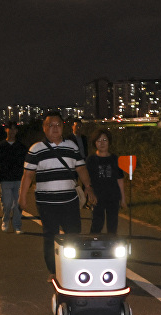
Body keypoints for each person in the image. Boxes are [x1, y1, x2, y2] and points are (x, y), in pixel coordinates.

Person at [19, 112, 97, 277]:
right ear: (44, 128)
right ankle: (53, 270)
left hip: (69, 200)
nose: (55, 128)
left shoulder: (72, 146)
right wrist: (22, 196)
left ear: (63, 127)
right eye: (50, 125)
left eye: (58, 125)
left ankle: (73, 268)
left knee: (73, 235)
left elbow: (81, 168)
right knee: (50, 236)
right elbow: (28, 175)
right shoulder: (36, 149)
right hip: (46, 202)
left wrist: (88, 186)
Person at [86, 129, 127, 234]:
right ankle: (93, 245)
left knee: (112, 225)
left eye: (105, 140)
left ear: (109, 142)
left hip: (113, 196)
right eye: (99, 140)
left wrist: (123, 198)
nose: (102, 143)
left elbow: (120, 179)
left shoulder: (114, 159)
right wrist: (89, 194)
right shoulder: (91, 160)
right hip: (97, 197)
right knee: (97, 223)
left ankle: (112, 246)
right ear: (95, 143)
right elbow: (87, 180)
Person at [0, 121, 28, 233]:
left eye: (14, 129)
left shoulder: (21, 147)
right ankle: (6, 219)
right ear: (6, 130)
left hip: (19, 178)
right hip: (5, 179)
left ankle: (17, 225)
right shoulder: (0, 146)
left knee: (18, 204)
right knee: (7, 203)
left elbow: (27, 165)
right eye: (9, 129)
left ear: (17, 131)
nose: (12, 131)